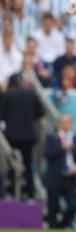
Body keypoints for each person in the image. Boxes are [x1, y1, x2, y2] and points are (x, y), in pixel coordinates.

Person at [0, 70, 44, 200]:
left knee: (13, 166)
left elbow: (1, 115)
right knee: (28, 166)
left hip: (12, 137)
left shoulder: (7, 95)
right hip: (29, 136)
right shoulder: (31, 94)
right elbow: (40, 113)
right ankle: (30, 193)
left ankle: (14, 193)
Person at [44, 115, 76, 229]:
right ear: (59, 124)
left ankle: (61, 226)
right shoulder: (52, 138)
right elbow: (47, 154)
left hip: (70, 178)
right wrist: (62, 148)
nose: (66, 125)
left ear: (72, 124)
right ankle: (52, 231)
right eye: (64, 122)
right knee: (53, 207)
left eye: (68, 122)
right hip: (54, 177)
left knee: (74, 205)